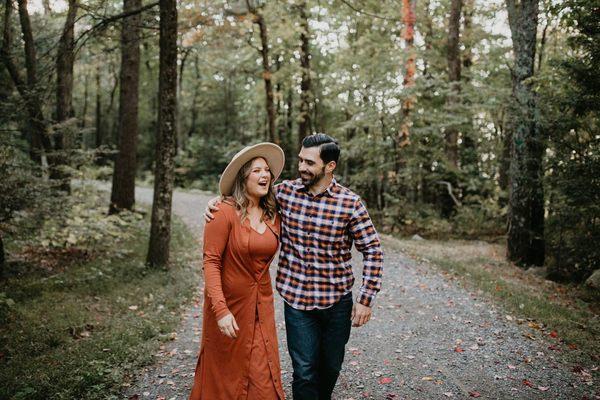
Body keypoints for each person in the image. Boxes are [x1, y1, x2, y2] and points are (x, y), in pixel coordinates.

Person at [205, 134, 384, 400]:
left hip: (337, 303)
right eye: (300, 160)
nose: (301, 167)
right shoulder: (284, 193)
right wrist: (217, 201)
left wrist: (366, 299)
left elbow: (372, 249)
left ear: (329, 166)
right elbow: (247, 194)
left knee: (330, 368)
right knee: (304, 371)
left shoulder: (350, 203)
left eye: (309, 163)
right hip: (298, 303)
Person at [189, 142, 286, 400]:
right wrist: (220, 311)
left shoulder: (274, 213)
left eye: (267, 170)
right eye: (257, 170)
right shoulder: (223, 211)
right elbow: (211, 262)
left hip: (261, 306)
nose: (265, 175)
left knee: (263, 379)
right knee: (225, 378)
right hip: (228, 308)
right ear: (243, 176)